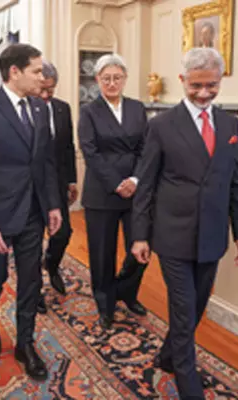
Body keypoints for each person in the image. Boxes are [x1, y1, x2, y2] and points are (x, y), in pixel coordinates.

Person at [131, 47, 238, 399]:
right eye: (196, 85)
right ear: (183, 80)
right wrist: (140, 236)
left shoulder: (231, 124)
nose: (203, 93)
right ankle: (188, 383)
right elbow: (146, 184)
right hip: (172, 235)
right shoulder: (161, 126)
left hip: (213, 236)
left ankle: (169, 355)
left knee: (198, 305)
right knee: (183, 310)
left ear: (220, 81)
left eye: (211, 85)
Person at [0, 43, 62, 381]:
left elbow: (45, 162)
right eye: (36, 70)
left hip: (33, 212)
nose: (42, 76)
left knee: (31, 281)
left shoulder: (40, 109)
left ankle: (25, 344)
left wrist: (52, 203)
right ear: (14, 72)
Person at [78, 53, 149, 330]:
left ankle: (126, 292)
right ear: (97, 80)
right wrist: (117, 184)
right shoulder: (88, 111)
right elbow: (90, 152)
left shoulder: (137, 107)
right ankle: (105, 303)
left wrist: (135, 180)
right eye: (106, 78)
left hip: (136, 190)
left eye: (117, 77)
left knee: (140, 250)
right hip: (103, 192)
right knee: (102, 254)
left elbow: (147, 148)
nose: (111, 83)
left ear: (125, 79)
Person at [36, 60, 78, 314]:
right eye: (42, 88)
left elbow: (68, 147)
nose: (45, 94)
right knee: (31, 239)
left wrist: (72, 180)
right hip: (33, 184)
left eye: (50, 89)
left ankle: (51, 266)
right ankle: (35, 290)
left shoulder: (63, 109)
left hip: (58, 181)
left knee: (62, 233)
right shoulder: (26, 108)